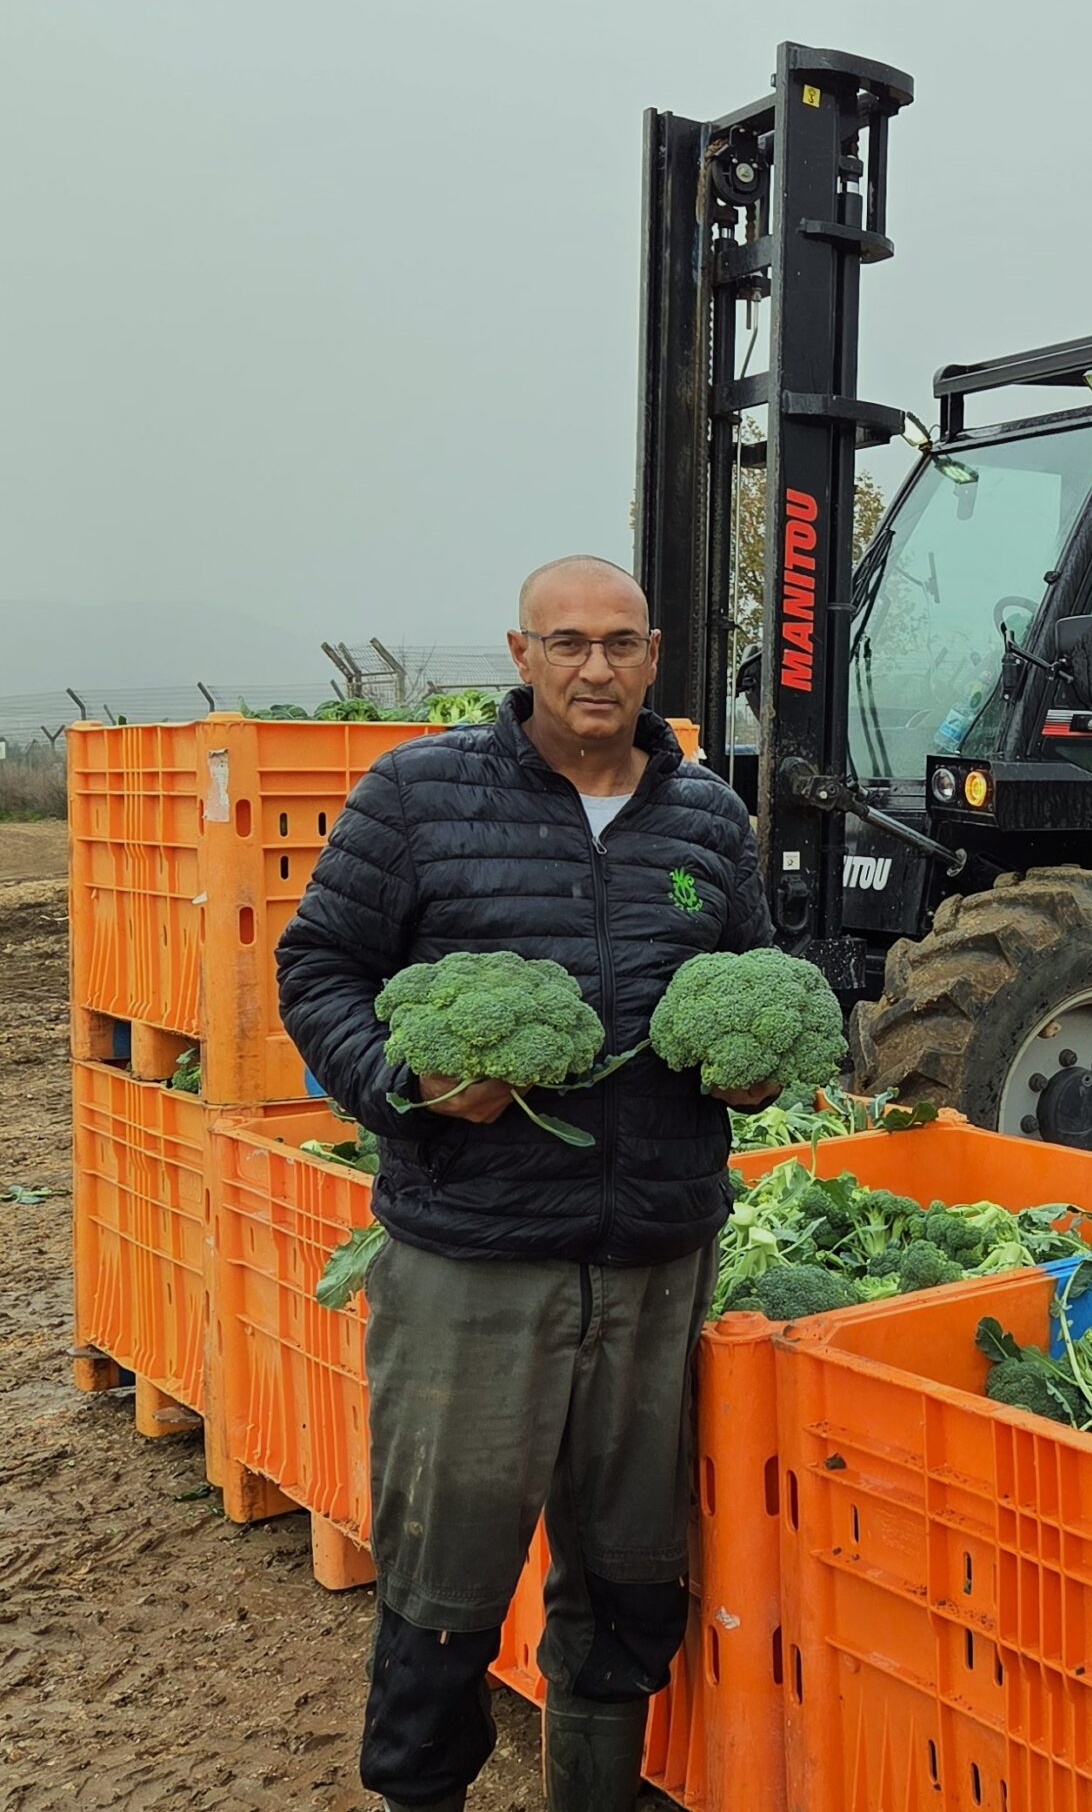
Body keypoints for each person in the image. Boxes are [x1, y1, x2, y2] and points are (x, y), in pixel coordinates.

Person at [276, 556, 780, 1812]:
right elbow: (319, 964)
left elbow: (761, 974)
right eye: (567, 642)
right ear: (521, 653)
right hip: (472, 1255)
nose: (593, 667)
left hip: (655, 1256)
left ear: (655, 656)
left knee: (628, 1573)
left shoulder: (708, 816)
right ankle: (420, 1793)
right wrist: (404, 1083)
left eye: (618, 643)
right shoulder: (418, 795)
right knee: (445, 1576)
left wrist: (757, 1071)